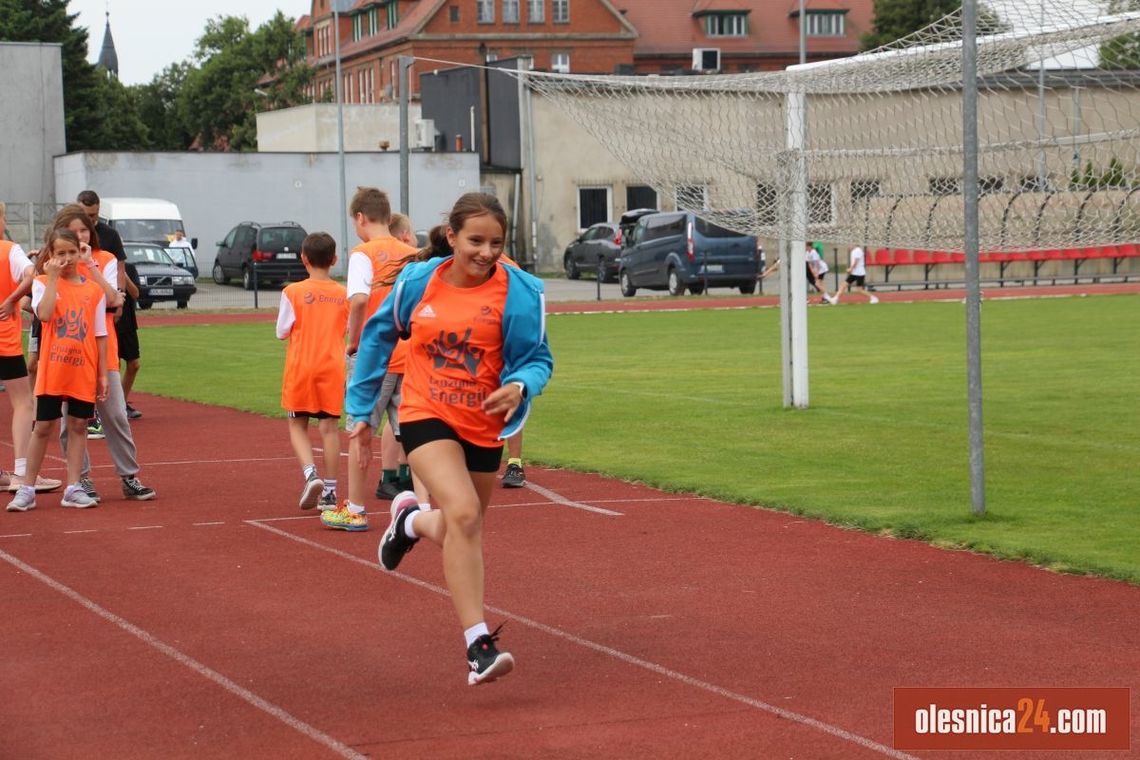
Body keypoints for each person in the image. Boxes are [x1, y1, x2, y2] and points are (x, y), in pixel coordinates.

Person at [346, 192, 553, 685]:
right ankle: (477, 645)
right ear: (452, 237)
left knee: (466, 526)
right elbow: (377, 336)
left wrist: (521, 385)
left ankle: (410, 525)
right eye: (476, 240)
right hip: (425, 413)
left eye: (496, 243)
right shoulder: (420, 282)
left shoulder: (521, 292)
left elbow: (538, 358)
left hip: (484, 423)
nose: (486, 252)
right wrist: (361, 410)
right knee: (462, 514)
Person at [52, 206, 156, 503]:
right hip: (67, 352)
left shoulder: (104, 259)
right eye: (73, 231)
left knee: (115, 415)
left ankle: (129, 477)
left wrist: (90, 266)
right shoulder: (55, 262)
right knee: (70, 422)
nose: (80, 236)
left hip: (101, 350)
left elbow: (112, 298)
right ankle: (80, 479)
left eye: (84, 230)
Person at [329, 186, 417, 532]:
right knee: (412, 432)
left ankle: (355, 508)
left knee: (360, 428)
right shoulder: (411, 253)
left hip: (375, 355)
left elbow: (360, 299)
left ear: (361, 218)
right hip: (409, 352)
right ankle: (421, 505)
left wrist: (354, 340)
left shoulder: (363, 253)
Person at [6, 228, 108, 512]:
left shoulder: (93, 290)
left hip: (82, 370)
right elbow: (46, 314)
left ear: (80, 252)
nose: (67, 259)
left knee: (77, 426)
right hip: (53, 369)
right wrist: (51, 278)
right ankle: (27, 488)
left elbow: (100, 334)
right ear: (50, 256)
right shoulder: (40, 283)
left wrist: (101, 374)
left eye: (72, 252)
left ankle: (73, 486)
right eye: (60, 253)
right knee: (43, 428)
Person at [276, 232, 348, 512]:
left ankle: (310, 474)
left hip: (301, 366)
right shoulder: (344, 294)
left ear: (303, 258)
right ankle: (329, 492)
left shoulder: (292, 292)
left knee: (297, 424)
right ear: (334, 260)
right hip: (332, 366)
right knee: (329, 429)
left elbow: (282, 331)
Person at [0, 203, 62, 494]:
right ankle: (23, 473)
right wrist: (13, 299)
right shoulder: (9, 249)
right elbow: (28, 276)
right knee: (22, 403)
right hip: (4, 340)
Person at [116, 258, 143, 419]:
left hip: (128, 324)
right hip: (110, 323)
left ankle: (122, 403)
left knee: (134, 364)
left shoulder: (130, 268)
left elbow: (136, 293)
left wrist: (123, 275)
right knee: (113, 367)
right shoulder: (101, 266)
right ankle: (112, 408)